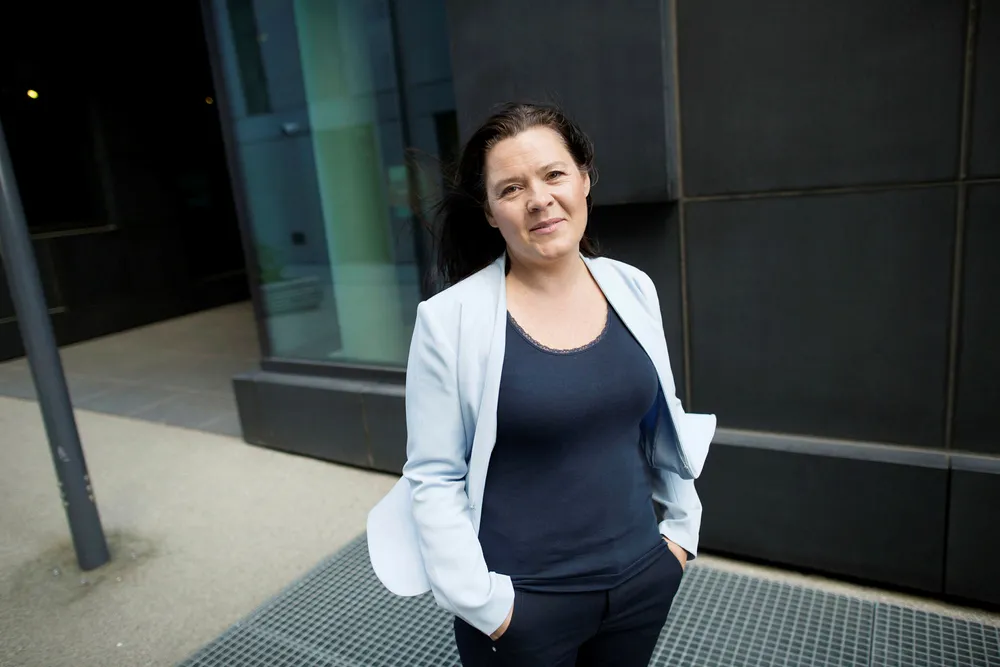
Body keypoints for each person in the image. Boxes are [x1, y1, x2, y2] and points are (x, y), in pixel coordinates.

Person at [367, 102, 715, 667]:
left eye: (554, 174)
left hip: (641, 583)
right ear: (489, 211)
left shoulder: (632, 287)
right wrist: (489, 608)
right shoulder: (450, 320)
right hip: (523, 606)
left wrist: (680, 536)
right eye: (511, 188)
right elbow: (434, 476)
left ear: (584, 179)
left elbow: (662, 420)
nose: (538, 199)